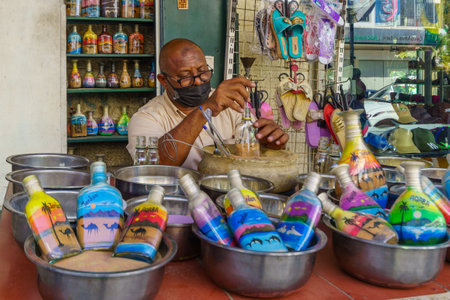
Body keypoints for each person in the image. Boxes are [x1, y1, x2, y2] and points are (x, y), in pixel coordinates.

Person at [126, 38, 289, 170]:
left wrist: (267, 143)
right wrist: (206, 110)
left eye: (203, 72)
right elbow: (154, 167)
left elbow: (251, 150)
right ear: (164, 81)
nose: (198, 82)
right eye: (186, 77)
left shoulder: (230, 105)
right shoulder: (146, 118)